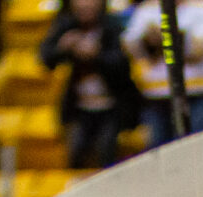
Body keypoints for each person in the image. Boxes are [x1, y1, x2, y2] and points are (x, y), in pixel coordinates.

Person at [40, 0, 140, 168]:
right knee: (75, 155)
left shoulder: (112, 26)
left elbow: (123, 65)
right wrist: (63, 48)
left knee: (106, 153)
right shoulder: (66, 25)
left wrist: (96, 55)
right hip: (80, 108)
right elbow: (46, 59)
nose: (85, 5)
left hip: (111, 108)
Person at [122, 0, 203, 144]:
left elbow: (199, 50)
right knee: (159, 151)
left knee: (198, 146)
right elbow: (130, 46)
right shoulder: (146, 10)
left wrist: (165, 37)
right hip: (157, 94)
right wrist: (149, 41)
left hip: (198, 91)